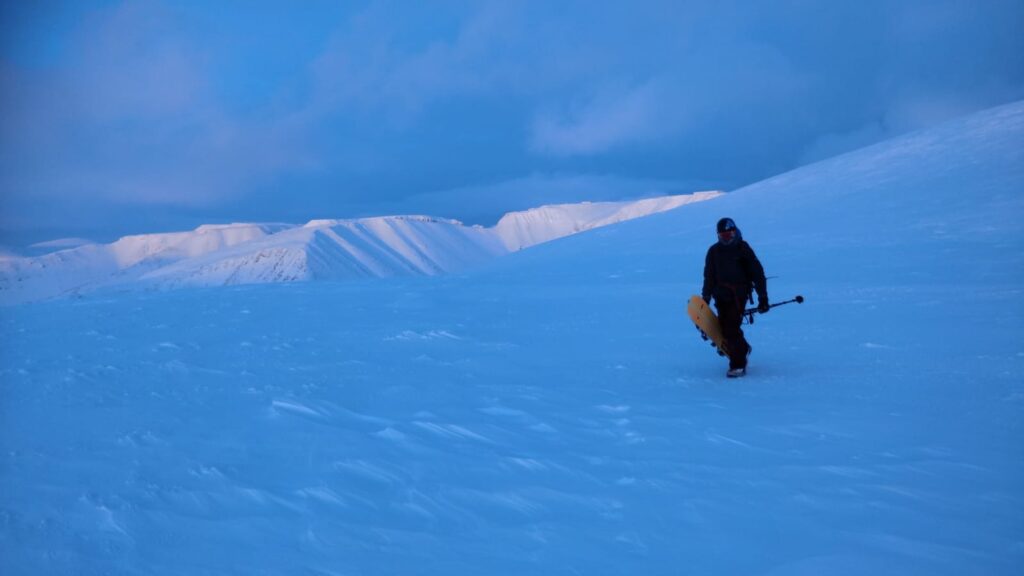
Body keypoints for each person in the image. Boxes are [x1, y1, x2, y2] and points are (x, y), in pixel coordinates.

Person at [701, 217, 768, 377]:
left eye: (729, 234)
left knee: (730, 328)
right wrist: (706, 298)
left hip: (739, 295)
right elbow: (709, 276)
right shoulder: (713, 251)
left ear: (735, 232)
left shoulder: (742, 248)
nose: (726, 238)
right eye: (723, 235)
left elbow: (757, 273)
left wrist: (763, 298)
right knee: (726, 327)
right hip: (720, 296)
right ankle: (743, 348)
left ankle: (738, 364)